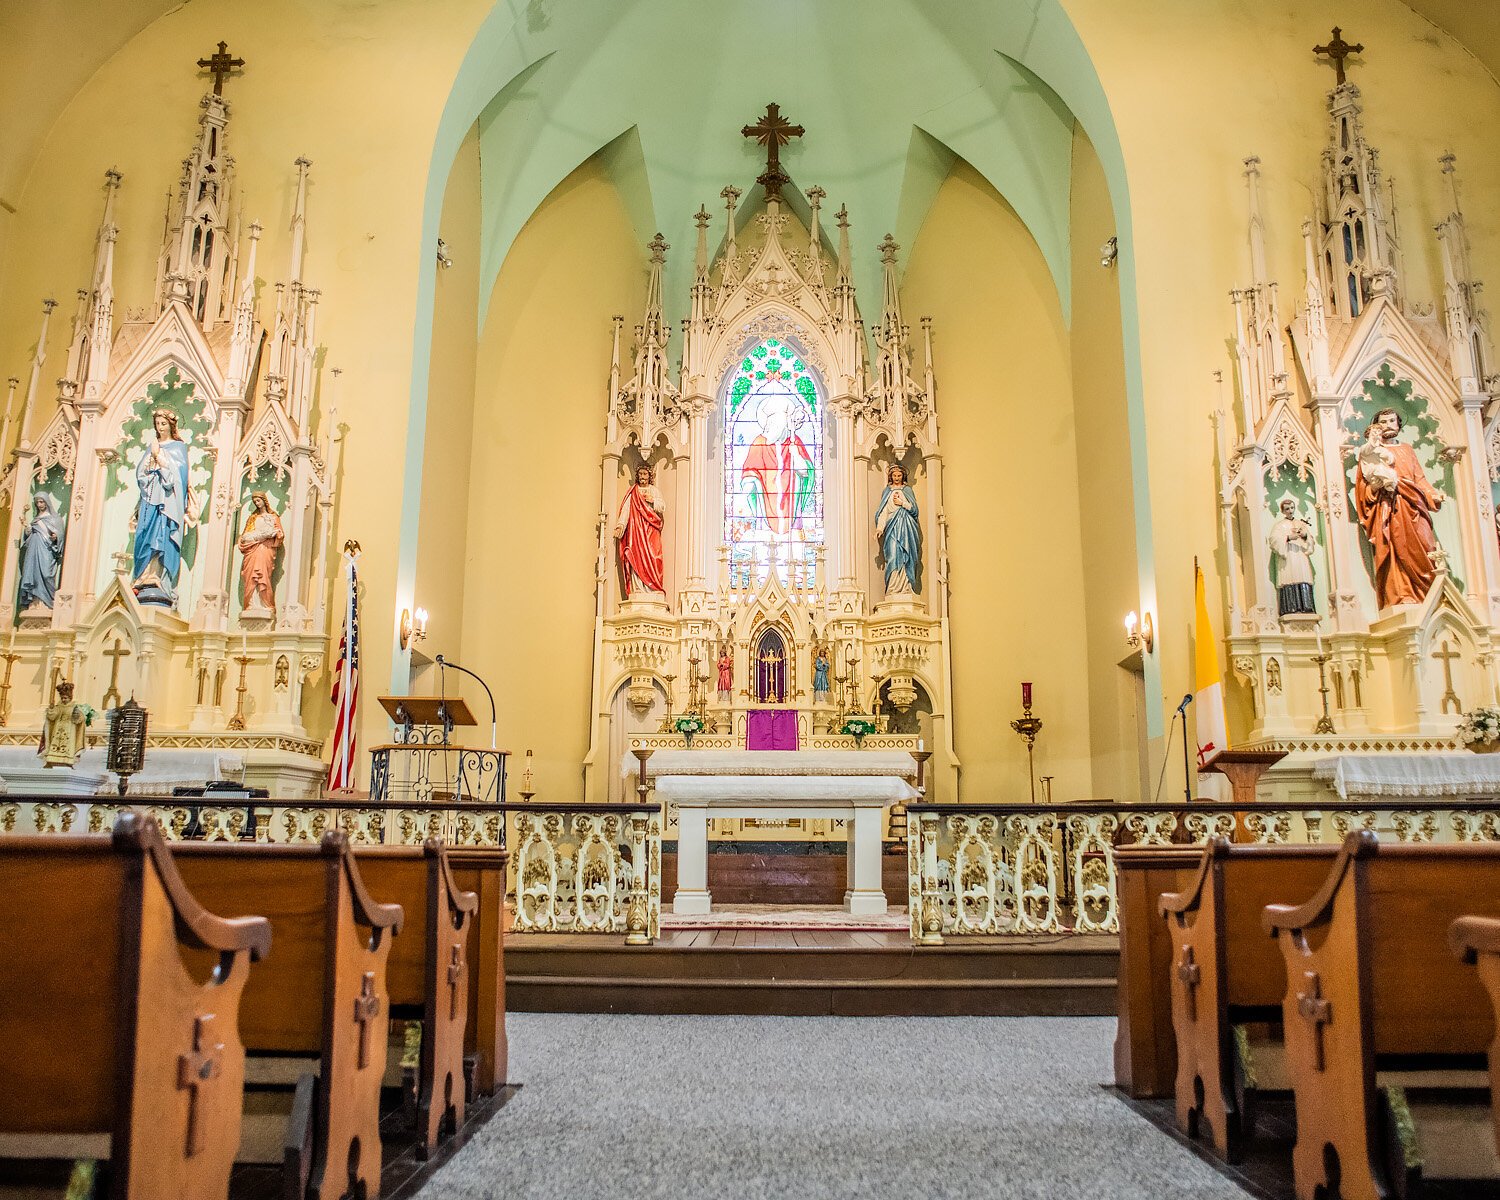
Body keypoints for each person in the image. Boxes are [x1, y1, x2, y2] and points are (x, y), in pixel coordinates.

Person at [1353, 407, 1445, 608]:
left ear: (1399, 424)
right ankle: (1402, 594)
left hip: (1414, 504)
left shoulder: (1407, 450)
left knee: (1425, 544)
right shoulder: (1370, 452)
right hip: (1388, 507)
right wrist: (1378, 487)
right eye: (1383, 422)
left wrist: (1433, 495)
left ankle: (1428, 595)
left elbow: (1419, 478)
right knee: (1395, 550)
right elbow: (1362, 485)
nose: (1387, 425)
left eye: (1392, 421)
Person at [131, 409, 198, 601]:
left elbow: (178, 480)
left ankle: (157, 577)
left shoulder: (178, 448)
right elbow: (141, 475)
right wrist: (151, 461)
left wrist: (159, 458)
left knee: (161, 537)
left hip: (167, 505)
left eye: (164, 424)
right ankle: (143, 576)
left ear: (171, 425)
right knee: (145, 535)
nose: (160, 428)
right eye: (157, 424)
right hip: (149, 501)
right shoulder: (152, 446)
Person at [740, 389, 815, 535]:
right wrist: (749, 483)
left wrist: (797, 457)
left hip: (791, 504)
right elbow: (750, 471)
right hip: (766, 502)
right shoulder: (759, 443)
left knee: (794, 542)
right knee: (765, 539)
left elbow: (807, 473)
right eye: (776, 423)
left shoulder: (794, 442)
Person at [614, 464, 665, 597]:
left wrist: (652, 501)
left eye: (645, 474)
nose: (642, 477)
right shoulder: (633, 492)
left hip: (651, 530)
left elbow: (662, 507)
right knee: (636, 557)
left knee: (653, 557)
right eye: (641, 474)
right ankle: (638, 589)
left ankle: (652, 588)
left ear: (649, 476)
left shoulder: (654, 491)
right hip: (636, 531)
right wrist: (620, 525)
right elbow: (626, 511)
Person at [874, 463, 922, 595]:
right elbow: (883, 512)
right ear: (890, 476)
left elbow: (915, 511)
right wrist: (879, 528)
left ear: (903, 476)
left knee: (907, 556)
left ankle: (907, 587)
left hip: (906, 529)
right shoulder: (887, 492)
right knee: (893, 555)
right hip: (892, 530)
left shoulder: (907, 490)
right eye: (894, 475)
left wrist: (902, 504)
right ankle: (893, 588)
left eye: (899, 475)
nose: (896, 478)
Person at [1268, 497, 1317, 616]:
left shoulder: (1301, 524)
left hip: (1301, 557)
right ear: (1283, 511)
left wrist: (1305, 536)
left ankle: (1307, 607)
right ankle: (1291, 608)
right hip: (1288, 557)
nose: (1290, 511)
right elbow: (1273, 541)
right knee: (1289, 578)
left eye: (1292, 508)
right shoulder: (1280, 526)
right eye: (1287, 509)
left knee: (1303, 577)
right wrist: (1288, 537)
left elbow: (1311, 542)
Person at [238, 491, 284, 613]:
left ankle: (265, 604)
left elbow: (280, 535)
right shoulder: (252, 519)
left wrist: (276, 534)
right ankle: (251, 605)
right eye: (254, 502)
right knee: (251, 576)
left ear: (264, 500)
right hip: (253, 550)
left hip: (266, 549)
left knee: (263, 575)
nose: (257, 503)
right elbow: (244, 536)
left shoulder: (273, 517)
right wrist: (256, 536)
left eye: (258, 500)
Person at [17, 493, 64, 610]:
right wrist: (26, 526)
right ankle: (33, 602)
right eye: (37, 502)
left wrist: (56, 537)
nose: (39, 504)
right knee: (32, 573)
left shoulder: (54, 518)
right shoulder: (36, 518)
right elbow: (29, 534)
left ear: (47, 502)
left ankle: (48, 602)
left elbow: (60, 534)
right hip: (33, 548)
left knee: (47, 574)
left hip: (46, 549)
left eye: (41, 502)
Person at [38, 680, 88, 768]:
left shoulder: (74, 707)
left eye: (65, 698)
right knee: (54, 744)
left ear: (70, 698)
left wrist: (77, 715)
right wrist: (51, 709)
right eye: (62, 698)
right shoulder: (58, 707)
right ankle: (51, 760)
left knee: (67, 745)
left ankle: (67, 761)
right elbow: (52, 717)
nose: (64, 700)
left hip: (69, 732)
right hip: (57, 731)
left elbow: (79, 720)